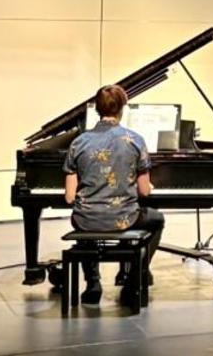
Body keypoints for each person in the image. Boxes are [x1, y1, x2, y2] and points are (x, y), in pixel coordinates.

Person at [64, 85, 165, 306]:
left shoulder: (78, 143)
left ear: (97, 109)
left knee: (86, 220)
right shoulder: (135, 140)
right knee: (156, 219)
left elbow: (70, 197)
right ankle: (136, 275)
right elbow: (144, 191)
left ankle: (93, 283)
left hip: (86, 218)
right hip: (124, 218)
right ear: (121, 108)